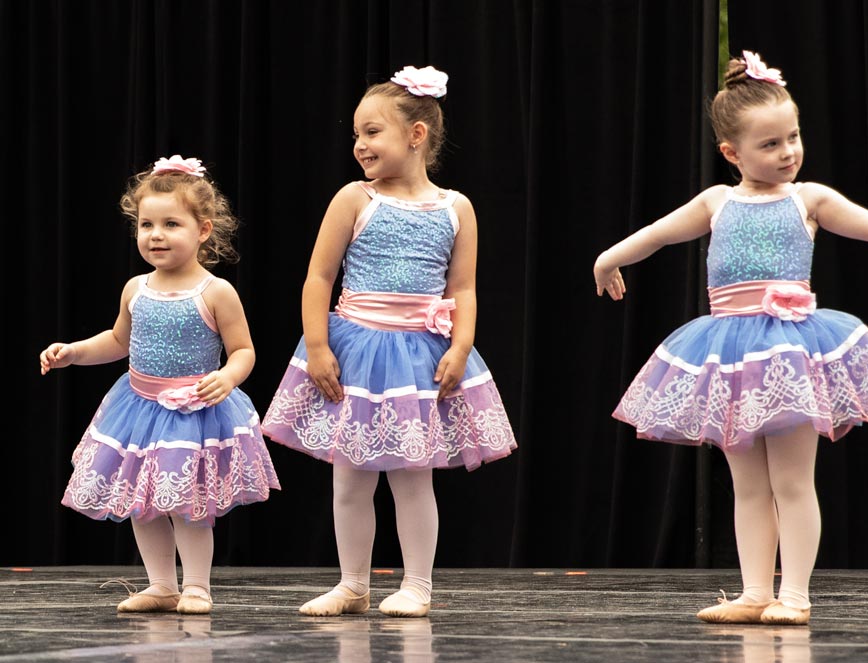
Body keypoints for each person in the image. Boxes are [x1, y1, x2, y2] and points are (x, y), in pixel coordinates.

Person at [593, 51, 868, 626]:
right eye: (770, 145)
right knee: (746, 485)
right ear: (731, 154)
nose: (788, 151)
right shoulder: (717, 203)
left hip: (791, 355)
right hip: (731, 357)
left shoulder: (809, 199)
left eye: (793, 137)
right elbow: (657, 235)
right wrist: (608, 259)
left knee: (792, 481)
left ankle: (795, 594)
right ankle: (754, 592)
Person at [262, 65, 517, 618]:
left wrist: (461, 344)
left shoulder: (456, 208)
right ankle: (353, 583)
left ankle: (417, 586)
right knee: (350, 479)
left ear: (416, 134)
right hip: (354, 348)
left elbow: (464, 287)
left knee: (411, 477)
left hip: (418, 354)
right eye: (356, 134)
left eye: (372, 132)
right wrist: (317, 346)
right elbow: (318, 278)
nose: (359, 145)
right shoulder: (354, 199)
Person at [40, 155, 281, 614]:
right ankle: (161, 585)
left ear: (203, 230)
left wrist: (227, 377)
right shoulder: (135, 288)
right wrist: (74, 351)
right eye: (146, 224)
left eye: (171, 224)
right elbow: (117, 341)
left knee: (187, 504)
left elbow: (244, 351)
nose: (156, 235)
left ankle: (196, 586)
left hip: (193, 412)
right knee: (142, 504)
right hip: (137, 409)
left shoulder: (215, 292)